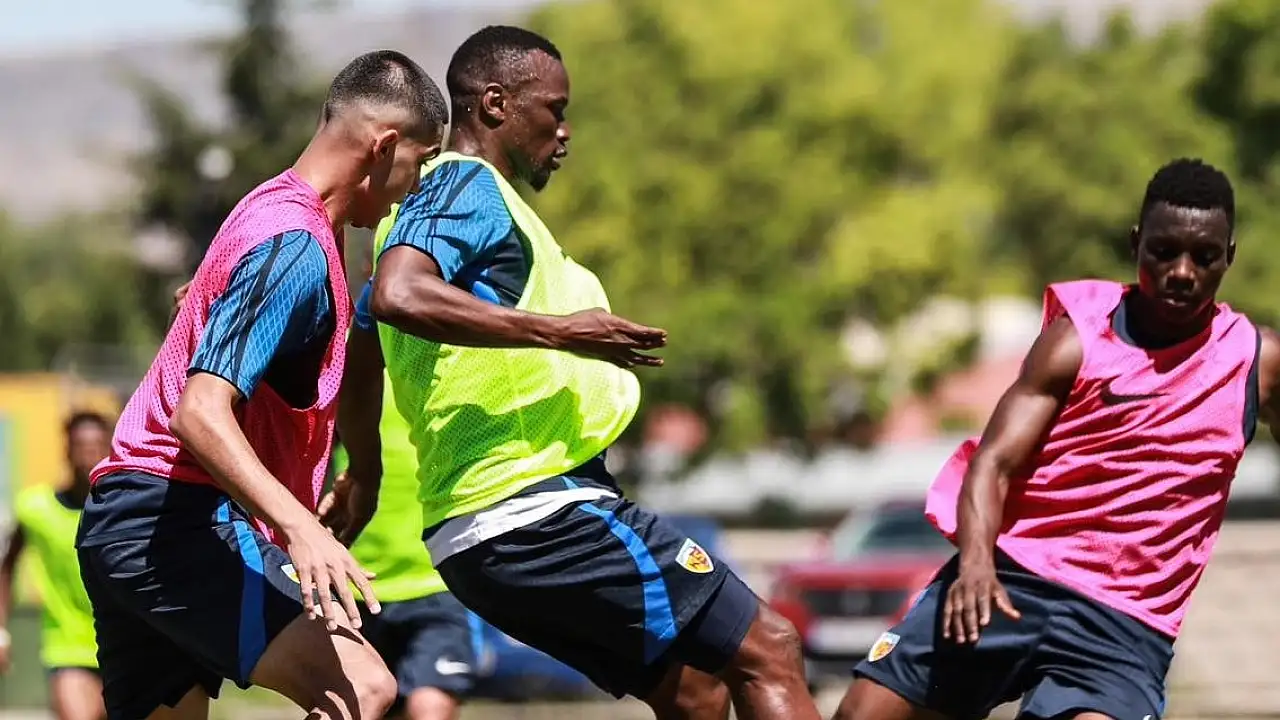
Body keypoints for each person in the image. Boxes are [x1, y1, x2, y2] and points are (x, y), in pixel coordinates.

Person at [327, 25, 818, 720]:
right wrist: (562, 330)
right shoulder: (463, 185)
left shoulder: (426, 212)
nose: (564, 132)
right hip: (536, 510)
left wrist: (366, 474)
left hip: (482, 535)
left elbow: (362, 347)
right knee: (771, 646)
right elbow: (396, 296)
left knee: (696, 693)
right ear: (495, 104)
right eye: (554, 110)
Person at [834, 157, 1280, 720]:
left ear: (1229, 256)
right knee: (863, 712)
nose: (1183, 272)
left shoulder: (1256, 363)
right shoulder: (1076, 341)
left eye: (1204, 256)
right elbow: (993, 462)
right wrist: (976, 564)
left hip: (1121, 624)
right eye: (1164, 251)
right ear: (1136, 244)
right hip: (1009, 577)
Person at [75, 50, 448, 720]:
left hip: (127, 521)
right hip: (180, 515)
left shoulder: (268, 212)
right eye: (420, 164)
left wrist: (356, 473)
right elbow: (199, 411)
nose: (413, 188)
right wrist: (301, 528)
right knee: (363, 688)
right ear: (384, 146)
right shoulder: (294, 244)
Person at [325, 381, 486, 720]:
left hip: (436, 581)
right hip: (355, 583)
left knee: (429, 706)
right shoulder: (345, 374)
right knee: (360, 704)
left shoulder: (446, 376)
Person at [0, 412, 112, 720]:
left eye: (96, 446)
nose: (88, 455)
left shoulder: (124, 511)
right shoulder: (36, 509)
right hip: (67, 646)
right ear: (66, 450)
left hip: (123, 644)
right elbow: (7, 567)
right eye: (80, 446)